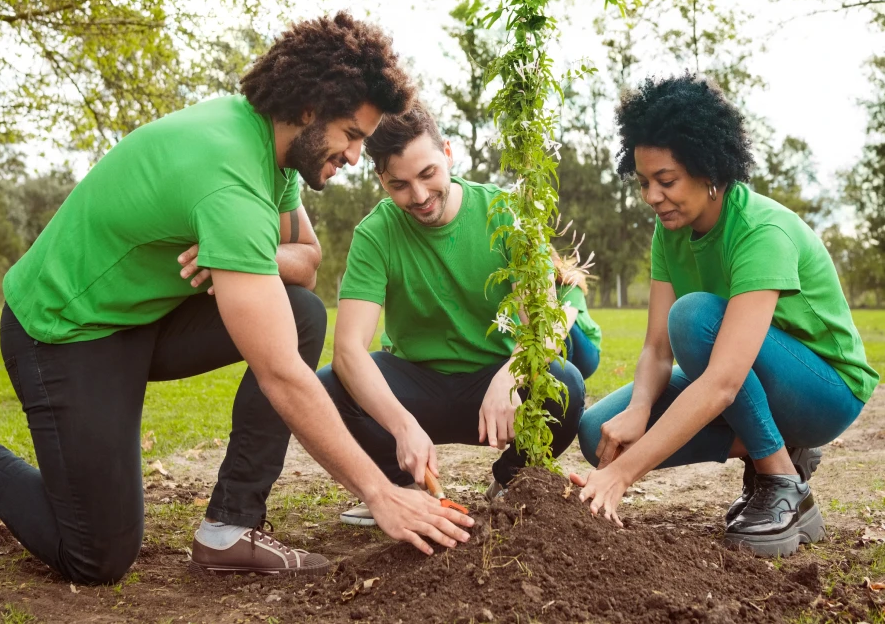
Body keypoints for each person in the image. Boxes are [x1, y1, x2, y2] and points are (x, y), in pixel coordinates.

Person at [0, 13, 473, 584]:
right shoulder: (228, 177)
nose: (355, 157)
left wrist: (244, 256)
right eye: (352, 135)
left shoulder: (272, 148)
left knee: (301, 312)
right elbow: (279, 373)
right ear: (310, 109)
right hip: (63, 333)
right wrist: (380, 493)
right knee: (96, 555)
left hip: (145, 318)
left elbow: (305, 261)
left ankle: (230, 527)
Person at [573, 74, 879, 557]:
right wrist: (637, 412)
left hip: (825, 390)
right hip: (744, 375)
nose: (653, 196)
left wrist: (621, 477)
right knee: (599, 434)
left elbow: (723, 381)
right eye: (644, 182)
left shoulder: (761, 230)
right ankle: (778, 446)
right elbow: (656, 350)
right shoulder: (668, 231)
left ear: (710, 169)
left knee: (693, 318)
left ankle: (780, 479)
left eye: (666, 181)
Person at [316, 102, 586, 526]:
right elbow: (349, 350)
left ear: (447, 152)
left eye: (427, 174)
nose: (419, 197)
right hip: (416, 383)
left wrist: (510, 373)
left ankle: (513, 482)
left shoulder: (508, 213)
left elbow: (547, 325)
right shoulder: (375, 233)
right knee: (329, 386)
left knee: (563, 384)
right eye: (400, 185)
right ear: (380, 180)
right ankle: (396, 489)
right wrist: (402, 425)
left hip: (494, 385)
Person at [552, 248, 602, 380]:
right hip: (558, 345)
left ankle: (565, 380)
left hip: (586, 353)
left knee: (558, 323)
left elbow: (562, 329)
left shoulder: (570, 284)